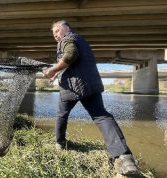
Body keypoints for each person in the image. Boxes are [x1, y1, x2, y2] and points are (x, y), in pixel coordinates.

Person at [43, 20, 139, 175]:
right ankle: (125, 157)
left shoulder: (67, 38)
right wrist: (56, 74)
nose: (55, 36)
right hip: (90, 85)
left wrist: (53, 70)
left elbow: (71, 55)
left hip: (72, 87)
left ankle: (60, 143)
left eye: (57, 31)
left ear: (65, 28)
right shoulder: (80, 39)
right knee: (102, 116)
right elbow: (74, 62)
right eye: (53, 34)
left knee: (62, 114)